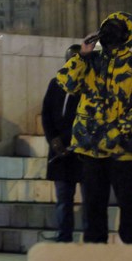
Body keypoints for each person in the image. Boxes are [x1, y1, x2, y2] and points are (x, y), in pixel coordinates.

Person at [56, 12, 132, 245]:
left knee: (127, 205)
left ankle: (131, 255)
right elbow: (66, 83)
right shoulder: (90, 61)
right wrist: (82, 55)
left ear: (127, 36)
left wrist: (116, 133)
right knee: (93, 207)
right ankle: (95, 255)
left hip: (122, 151)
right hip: (90, 150)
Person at [42, 44, 84, 242]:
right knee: (63, 199)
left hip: (82, 151)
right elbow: (47, 114)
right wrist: (53, 140)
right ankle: (64, 235)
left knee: (90, 199)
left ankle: (91, 237)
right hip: (60, 152)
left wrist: (76, 142)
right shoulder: (56, 83)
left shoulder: (89, 86)